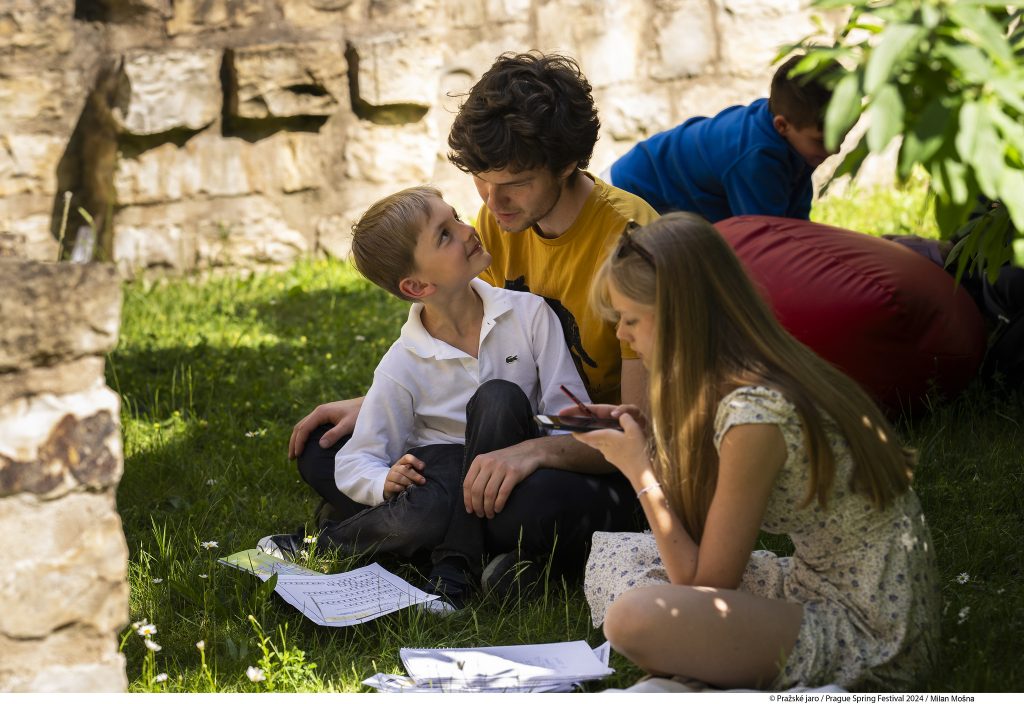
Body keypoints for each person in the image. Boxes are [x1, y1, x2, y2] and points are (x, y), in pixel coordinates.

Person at [289, 51, 658, 589]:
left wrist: (532, 452)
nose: (492, 202)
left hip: (603, 456)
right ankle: (486, 547)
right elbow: (480, 346)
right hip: (500, 435)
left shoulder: (631, 241)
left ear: (565, 165)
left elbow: (637, 433)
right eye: (482, 180)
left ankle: (430, 536)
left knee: (524, 501)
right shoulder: (503, 220)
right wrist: (385, 403)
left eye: (515, 183)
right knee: (324, 448)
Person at [572, 213, 940, 689]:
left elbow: (706, 589)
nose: (621, 334)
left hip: (867, 629)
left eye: (630, 319)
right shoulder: (751, 370)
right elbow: (701, 547)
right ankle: (702, 673)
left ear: (679, 318)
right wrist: (652, 445)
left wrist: (639, 470)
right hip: (816, 583)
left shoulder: (756, 416)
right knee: (620, 556)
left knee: (632, 619)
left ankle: (694, 678)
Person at [261, 186, 593, 609]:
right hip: (445, 485)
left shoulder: (530, 314)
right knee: (434, 491)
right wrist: (384, 482)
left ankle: (447, 564)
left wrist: (538, 454)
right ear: (417, 285)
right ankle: (453, 558)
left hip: (514, 481)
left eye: (456, 217)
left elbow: (571, 419)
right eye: (444, 234)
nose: (467, 230)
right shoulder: (402, 362)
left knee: (499, 398)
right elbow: (357, 459)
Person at [606, 55, 840, 221]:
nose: (835, 148)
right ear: (782, 125)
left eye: (841, 135)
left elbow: (796, 225)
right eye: (821, 140)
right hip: (631, 194)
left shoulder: (792, 135)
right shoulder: (756, 159)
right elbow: (765, 239)